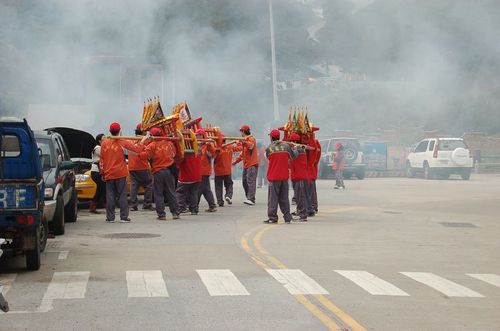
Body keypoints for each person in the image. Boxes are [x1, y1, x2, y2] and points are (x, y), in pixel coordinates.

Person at [100, 122, 145, 223]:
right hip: (120, 173)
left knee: (110, 195)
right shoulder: (122, 141)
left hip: (108, 173)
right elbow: (137, 149)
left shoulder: (104, 143)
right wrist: (144, 140)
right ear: (120, 131)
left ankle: (110, 218)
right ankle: (124, 217)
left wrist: (102, 172)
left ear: (110, 131)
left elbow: (101, 160)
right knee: (122, 195)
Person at [140, 127, 180, 220]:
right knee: (171, 192)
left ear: (152, 135)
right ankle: (175, 213)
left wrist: (143, 143)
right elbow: (174, 154)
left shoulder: (152, 145)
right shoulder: (169, 143)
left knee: (158, 194)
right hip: (169, 171)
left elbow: (143, 156)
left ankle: (161, 215)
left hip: (158, 172)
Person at [264, 129, 297, 224]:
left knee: (272, 199)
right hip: (284, 177)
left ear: (271, 137)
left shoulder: (269, 148)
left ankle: (273, 218)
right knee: (284, 198)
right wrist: (296, 149)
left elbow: (268, 157)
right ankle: (287, 218)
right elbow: (293, 156)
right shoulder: (286, 146)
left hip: (274, 177)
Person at [128, 124, 153, 211]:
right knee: (149, 184)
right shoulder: (145, 141)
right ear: (143, 131)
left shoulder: (131, 140)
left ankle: (133, 205)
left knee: (134, 186)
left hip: (131, 166)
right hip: (142, 166)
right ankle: (147, 204)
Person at [233, 125, 258, 205]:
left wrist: (243, 142)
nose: (240, 133)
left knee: (250, 181)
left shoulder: (251, 139)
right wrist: (235, 161)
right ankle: (249, 196)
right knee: (244, 181)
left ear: (243, 131)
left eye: (241, 131)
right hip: (246, 165)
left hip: (252, 164)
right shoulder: (245, 140)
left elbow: (251, 146)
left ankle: (251, 198)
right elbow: (242, 154)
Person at [289, 133, 309, 222]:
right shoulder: (298, 148)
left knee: (301, 196)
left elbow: (293, 155)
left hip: (300, 176)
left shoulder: (299, 149)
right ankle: (299, 211)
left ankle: (303, 214)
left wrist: (293, 147)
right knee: (297, 196)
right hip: (296, 175)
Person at [176, 148, 202, 215]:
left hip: (185, 176)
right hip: (197, 176)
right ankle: (194, 209)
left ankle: (181, 207)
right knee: (194, 193)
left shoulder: (183, 151)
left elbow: (178, 162)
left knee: (180, 193)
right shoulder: (198, 150)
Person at [197, 129, 217, 212]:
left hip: (204, 171)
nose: (197, 136)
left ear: (202, 136)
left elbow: (213, 154)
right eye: (197, 135)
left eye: (199, 135)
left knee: (199, 189)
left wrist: (209, 145)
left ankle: (194, 206)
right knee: (206, 190)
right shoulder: (198, 145)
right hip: (200, 171)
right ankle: (212, 205)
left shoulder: (207, 146)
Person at [214, 136, 234, 207]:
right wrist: (238, 142)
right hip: (227, 171)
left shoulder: (216, 149)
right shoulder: (230, 147)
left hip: (218, 171)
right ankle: (228, 195)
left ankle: (220, 201)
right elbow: (240, 148)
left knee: (218, 187)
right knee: (229, 185)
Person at [89, 133, 105, 214]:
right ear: (99, 140)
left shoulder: (99, 147)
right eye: (103, 138)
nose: (105, 139)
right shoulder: (98, 148)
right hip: (96, 171)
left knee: (100, 188)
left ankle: (93, 206)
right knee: (101, 188)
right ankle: (93, 206)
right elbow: (106, 155)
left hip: (97, 171)